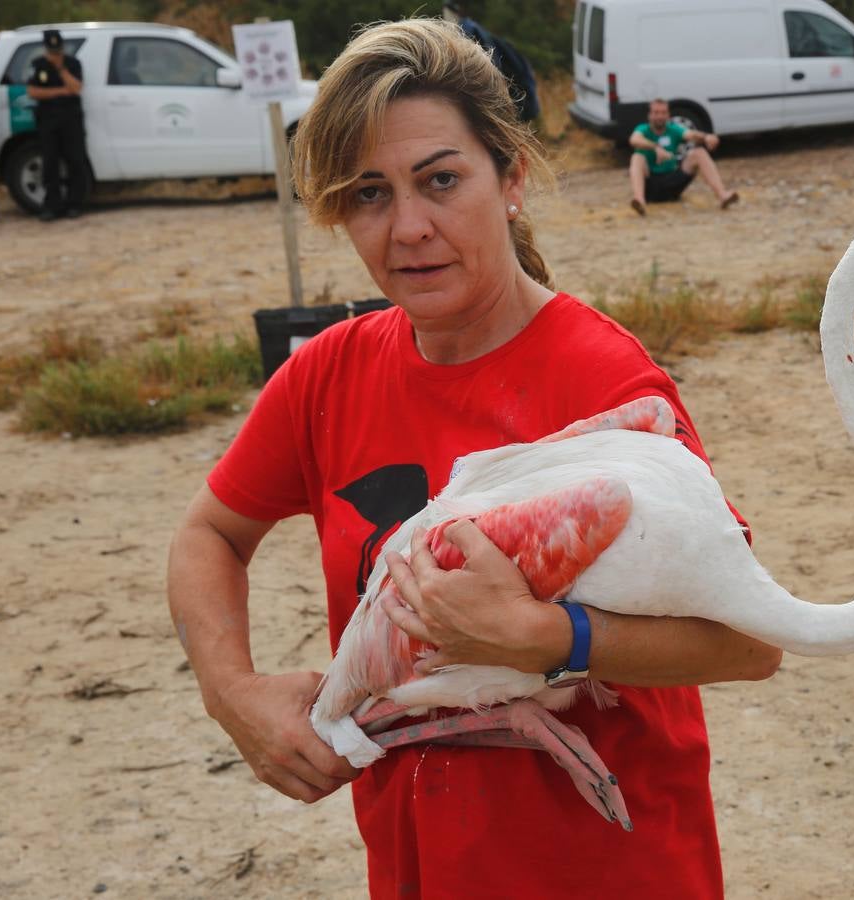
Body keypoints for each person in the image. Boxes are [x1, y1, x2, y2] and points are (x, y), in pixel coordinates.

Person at [166, 18, 781, 900]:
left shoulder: (605, 385)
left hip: (605, 866)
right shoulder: (326, 374)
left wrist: (553, 638)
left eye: (441, 180)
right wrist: (231, 692)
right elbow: (209, 534)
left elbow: (748, 642)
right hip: (414, 856)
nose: (408, 227)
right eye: (369, 194)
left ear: (512, 176)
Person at [628, 98, 738, 215]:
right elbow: (634, 140)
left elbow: (690, 134)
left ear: (668, 115)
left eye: (663, 113)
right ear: (650, 115)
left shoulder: (673, 129)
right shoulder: (643, 129)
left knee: (699, 153)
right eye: (656, 113)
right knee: (637, 157)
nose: (660, 116)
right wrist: (655, 147)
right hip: (650, 185)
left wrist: (706, 137)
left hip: (672, 181)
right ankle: (639, 200)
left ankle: (723, 196)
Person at [25, 29, 88, 220]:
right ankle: (52, 206)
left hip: (71, 119)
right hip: (47, 120)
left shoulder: (72, 64)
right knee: (50, 162)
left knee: (75, 160)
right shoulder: (38, 65)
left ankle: (74, 204)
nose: (55, 54)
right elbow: (33, 92)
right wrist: (60, 91)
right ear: (46, 48)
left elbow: (76, 89)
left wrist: (61, 69)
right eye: (52, 50)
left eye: (58, 49)